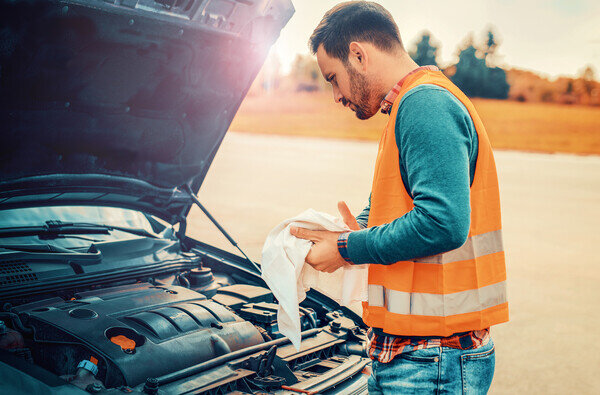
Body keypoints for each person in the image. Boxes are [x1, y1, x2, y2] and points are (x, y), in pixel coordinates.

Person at [289, 2, 509, 393]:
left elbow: (442, 223)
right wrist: (357, 228)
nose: (336, 96)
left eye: (333, 78)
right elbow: (403, 206)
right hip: (418, 355)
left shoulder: (425, 104)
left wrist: (345, 247)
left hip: (431, 360)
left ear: (358, 54)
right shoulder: (410, 106)